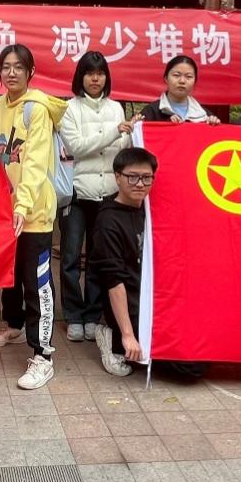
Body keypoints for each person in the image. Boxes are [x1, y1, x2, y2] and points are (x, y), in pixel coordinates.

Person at [0, 44, 68, 390]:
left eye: (19, 67)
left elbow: (34, 162)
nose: (12, 73)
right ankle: (14, 326)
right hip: (4, 211)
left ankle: (43, 355)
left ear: (31, 72)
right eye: (6, 66)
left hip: (34, 212)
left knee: (37, 283)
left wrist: (22, 205)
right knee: (10, 276)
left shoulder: (37, 109)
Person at [58, 51, 137, 342]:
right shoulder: (70, 108)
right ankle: (73, 316)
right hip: (78, 193)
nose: (95, 78)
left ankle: (92, 315)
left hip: (108, 195)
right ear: (80, 77)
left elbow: (121, 149)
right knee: (69, 258)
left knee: (97, 258)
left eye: (100, 73)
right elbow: (76, 147)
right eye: (90, 73)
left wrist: (131, 132)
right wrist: (115, 132)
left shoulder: (116, 108)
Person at [92, 147, 158, 377]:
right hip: (128, 301)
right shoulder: (108, 221)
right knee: (182, 366)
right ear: (117, 177)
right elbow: (113, 281)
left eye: (146, 177)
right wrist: (128, 335)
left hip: (155, 299)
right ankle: (113, 338)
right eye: (132, 177)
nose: (140, 184)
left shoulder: (153, 210)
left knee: (195, 360)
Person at [139, 55, 220, 124]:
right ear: (166, 79)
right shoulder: (151, 112)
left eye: (188, 76)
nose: (182, 81)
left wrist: (214, 126)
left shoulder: (204, 115)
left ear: (195, 81)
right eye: (176, 75)